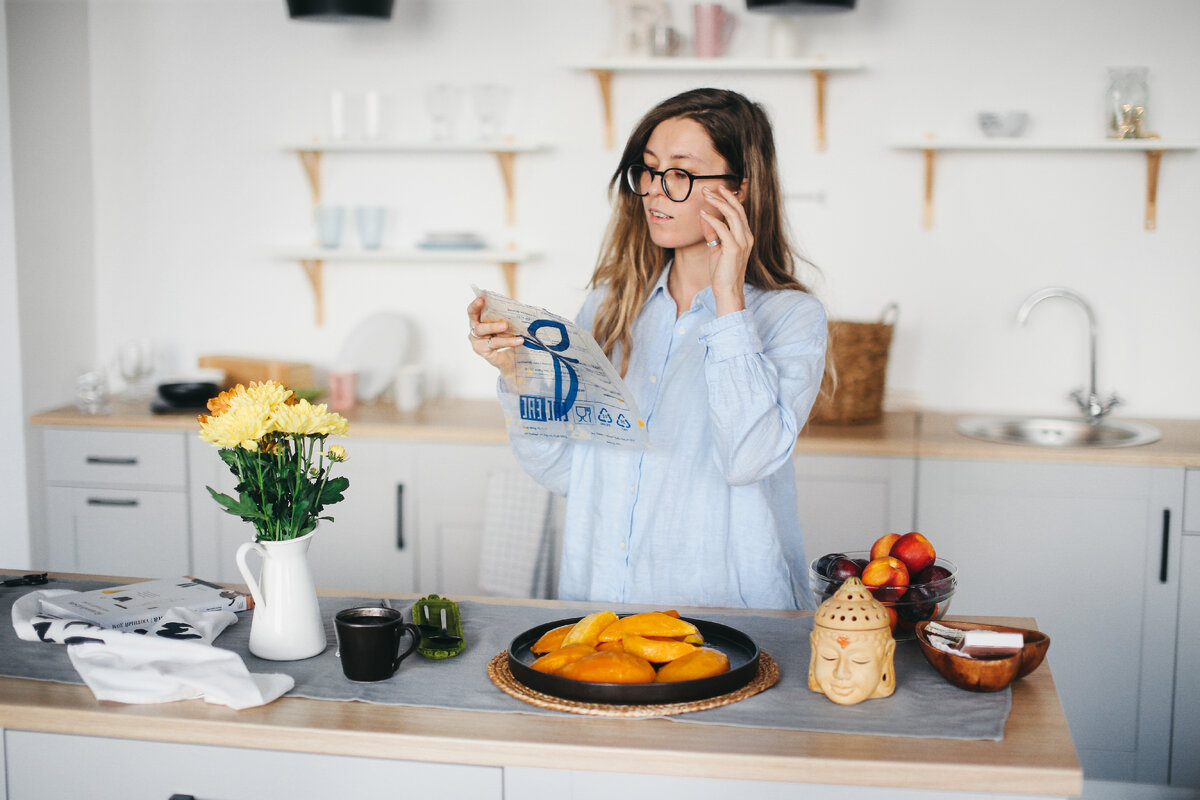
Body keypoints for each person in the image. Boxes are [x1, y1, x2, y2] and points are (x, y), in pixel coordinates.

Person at [466, 88, 827, 610]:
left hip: (729, 619)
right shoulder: (608, 309)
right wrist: (519, 374)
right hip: (602, 609)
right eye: (650, 170)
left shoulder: (790, 317)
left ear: (740, 188)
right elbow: (567, 473)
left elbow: (747, 460)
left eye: (680, 173)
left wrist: (728, 298)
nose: (656, 191)